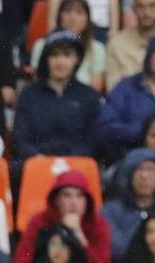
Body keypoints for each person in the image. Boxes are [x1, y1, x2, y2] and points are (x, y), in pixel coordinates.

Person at [14, 31, 102, 165]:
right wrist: (38, 158)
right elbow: (21, 139)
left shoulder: (89, 96)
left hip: (78, 165)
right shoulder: (28, 94)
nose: (60, 62)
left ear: (77, 59)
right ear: (46, 59)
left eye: (67, 55)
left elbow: (93, 140)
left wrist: (70, 162)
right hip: (37, 164)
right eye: (54, 55)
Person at [12, 170, 113, 263]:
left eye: (80, 196)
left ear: (87, 202)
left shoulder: (98, 224)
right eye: (67, 195)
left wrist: (79, 235)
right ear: (56, 200)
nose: (74, 202)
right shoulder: (40, 222)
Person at [97, 35, 155, 162]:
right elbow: (106, 128)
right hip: (131, 160)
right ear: (149, 56)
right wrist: (144, 131)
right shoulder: (126, 87)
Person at [31, 0, 109, 93]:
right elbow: (38, 81)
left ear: (87, 20)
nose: (73, 17)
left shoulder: (98, 48)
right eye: (67, 11)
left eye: (79, 12)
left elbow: (96, 87)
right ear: (59, 16)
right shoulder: (41, 45)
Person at [103, 148, 155, 262]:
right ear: (127, 174)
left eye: (150, 169)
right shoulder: (110, 211)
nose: (144, 176)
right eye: (138, 169)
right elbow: (121, 251)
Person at [106, 0, 155, 90]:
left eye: (152, 6)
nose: (146, 12)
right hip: (127, 97)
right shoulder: (118, 43)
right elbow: (113, 87)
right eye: (141, 7)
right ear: (134, 9)